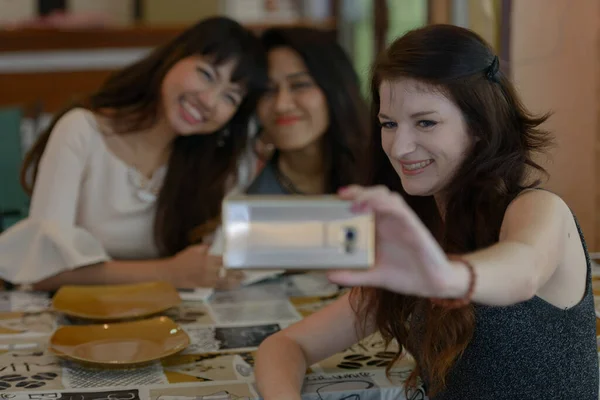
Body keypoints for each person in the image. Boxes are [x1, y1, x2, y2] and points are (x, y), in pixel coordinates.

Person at [254, 24, 599, 399]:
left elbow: (523, 270)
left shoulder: (539, 209)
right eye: (389, 124)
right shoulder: (423, 231)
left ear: (480, 126)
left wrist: (444, 276)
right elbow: (285, 347)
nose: (400, 147)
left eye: (426, 123)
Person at [0, 17, 267, 291]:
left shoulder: (213, 165)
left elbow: (217, 261)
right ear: (174, 57)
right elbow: (42, 273)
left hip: (158, 319)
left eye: (230, 98)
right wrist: (170, 273)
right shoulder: (81, 130)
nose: (209, 101)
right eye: (206, 74)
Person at [246, 27, 370, 195]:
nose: (281, 105)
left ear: (336, 92)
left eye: (299, 85)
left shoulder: (385, 172)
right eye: (268, 90)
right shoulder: (245, 189)